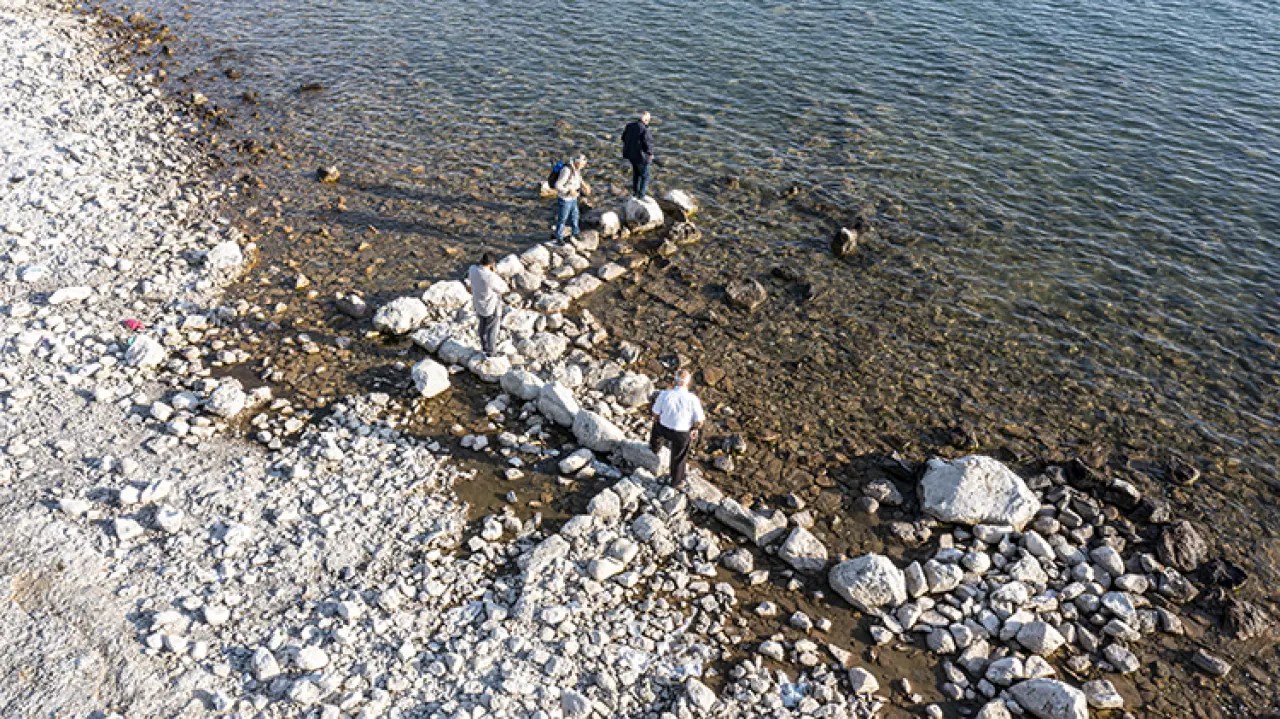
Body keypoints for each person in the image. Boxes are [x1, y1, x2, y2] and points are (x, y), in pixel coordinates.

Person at [649, 369, 705, 487]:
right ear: (688, 383)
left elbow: (655, 413)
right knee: (679, 456)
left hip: (663, 428)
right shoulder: (692, 399)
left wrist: (660, 419)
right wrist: (694, 429)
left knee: (656, 429)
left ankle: (655, 448)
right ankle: (675, 481)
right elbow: (699, 421)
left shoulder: (665, 394)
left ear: (675, 380)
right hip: (681, 433)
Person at [468, 252, 508, 356]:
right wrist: (494, 273)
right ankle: (491, 352)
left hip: (478, 304)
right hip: (490, 307)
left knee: (482, 326)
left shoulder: (472, 269)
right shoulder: (490, 276)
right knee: (492, 330)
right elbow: (503, 288)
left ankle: (484, 346)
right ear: (491, 265)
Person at [551, 153, 590, 241]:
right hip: (565, 199)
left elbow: (578, 178)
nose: (584, 166)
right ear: (577, 162)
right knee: (562, 219)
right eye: (583, 164)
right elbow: (558, 185)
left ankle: (575, 232)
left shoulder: (576, 169)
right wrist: (569, 191)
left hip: (573, 198)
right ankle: (559, 237)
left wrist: (584, 185)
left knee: (575, 215)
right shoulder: (566, 170)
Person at [621, 111, 655, 199]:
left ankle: (635, 192)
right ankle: (641, 195)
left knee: (636, 174)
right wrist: (650, 154)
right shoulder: (645, 130)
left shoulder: (629, 126)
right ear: (646, 120)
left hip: (631, 155)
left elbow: (623, 138)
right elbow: (648, 144)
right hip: (642, 158)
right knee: (645, 176)